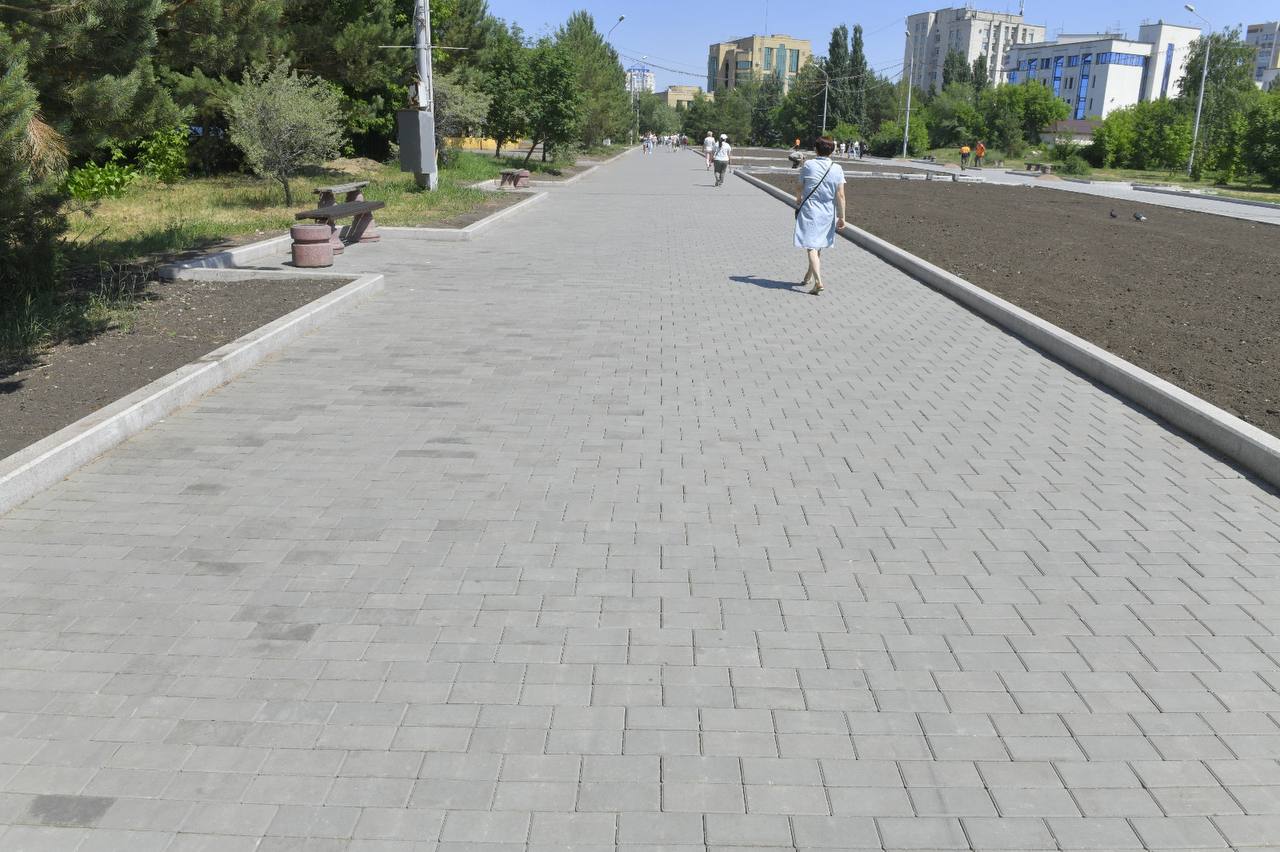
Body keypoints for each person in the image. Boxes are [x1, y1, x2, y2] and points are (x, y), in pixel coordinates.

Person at [793, 136, 846, 295]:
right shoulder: (837, 168)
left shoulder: (809, 165)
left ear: (816, 149)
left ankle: (818, 282)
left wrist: (798, 198)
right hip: (828, 211)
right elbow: (841, 195)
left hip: (810, 209)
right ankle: (808, 276)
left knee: (811, 246)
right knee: (818, 245)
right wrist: (842, 217)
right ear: (832, 150)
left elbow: (799, 186)